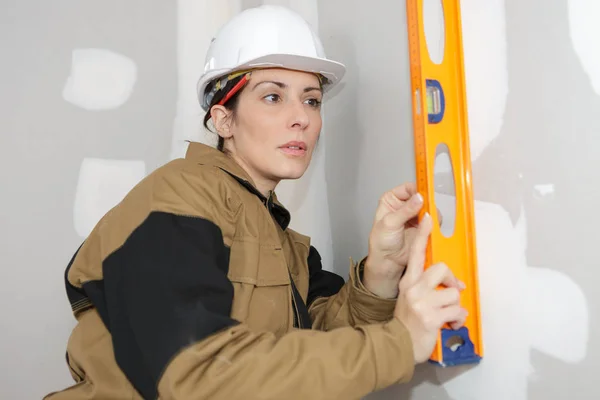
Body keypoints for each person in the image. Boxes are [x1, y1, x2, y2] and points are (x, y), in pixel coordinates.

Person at [44, 5, 467, 400]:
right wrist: (400, 344)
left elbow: (316, 347)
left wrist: (381, 271)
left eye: (311, 99)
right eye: (272, 96)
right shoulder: (177, 196)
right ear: (223, 118)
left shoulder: (283, 241)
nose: (301, 116)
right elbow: (196, 374)